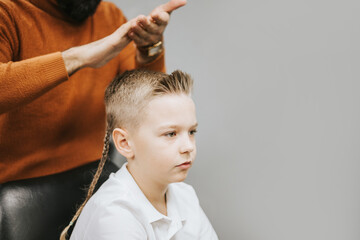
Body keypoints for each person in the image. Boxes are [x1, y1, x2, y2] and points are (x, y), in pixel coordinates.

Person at [0, 0, 186, 183]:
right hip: (14, 193)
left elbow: (150, 107)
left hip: (91, 182)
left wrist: (149, 50)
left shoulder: (109, 16)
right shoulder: (7, 11)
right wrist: (77, 58)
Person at [65, 69, 219, 239]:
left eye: (192, 131)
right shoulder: (114, 215)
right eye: (171, 134)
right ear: (125, 143)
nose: (188, 146)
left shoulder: (185, 195)